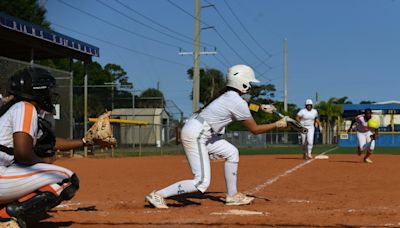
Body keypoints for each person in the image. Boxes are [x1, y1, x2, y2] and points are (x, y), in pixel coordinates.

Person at [145, 64, 288, 209]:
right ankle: (159, 195)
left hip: (201, 131)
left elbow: (246, 104)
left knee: (232, 152)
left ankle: (232, 196)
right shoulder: (237, 102)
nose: (250, 86)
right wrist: (277, 124)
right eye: (249, 82)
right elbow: (255, 130)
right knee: (201, 182)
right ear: (242, 82)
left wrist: (261, 107)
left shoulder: (229, 95)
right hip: (198, 133)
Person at [0, 67, 103, 228]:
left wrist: (86, 141)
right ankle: (5, 217)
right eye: (47, 89)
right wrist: (45, 160)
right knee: (66, 180)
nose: (50, 93)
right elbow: (22, 153)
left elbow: (50, 143)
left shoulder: (16, 108)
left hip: (3, 171)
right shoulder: (25, 108)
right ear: (37, 90)